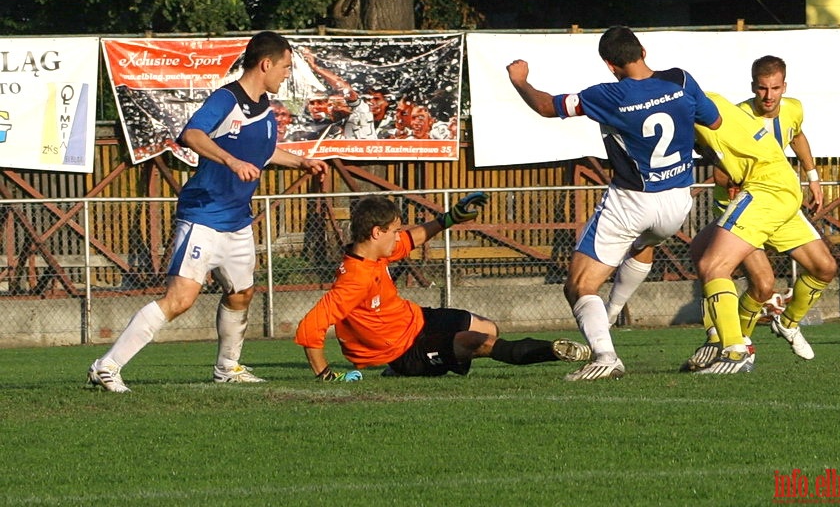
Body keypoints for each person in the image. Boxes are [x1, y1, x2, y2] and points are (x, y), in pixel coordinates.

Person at [87, 31, 329, 392]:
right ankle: (106, 366)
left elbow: (262, 154)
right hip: (204, 215)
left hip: (237, 219)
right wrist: (230, 161)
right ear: (265, 64)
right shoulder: (225, 99)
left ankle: (227, 368)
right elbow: (192, 135)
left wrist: (301, 162)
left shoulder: (264, 108)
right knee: (179, 300)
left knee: (241, 293)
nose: (286, 74)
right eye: (284, 66)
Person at [506, 25, 721, 381]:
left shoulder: (607, 95)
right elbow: (714, 120)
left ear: (609, 64)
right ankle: (611, 313)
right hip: (678, 202)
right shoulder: (681, 79)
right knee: (643, 243)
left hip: (633, 200)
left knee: (578, 285)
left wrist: (521, 81)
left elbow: (546, 107)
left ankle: (605, 354)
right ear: (643, 51)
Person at [294, 194, 591, 379]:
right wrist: (325, 375)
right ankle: (555, 350)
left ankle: (452, 355)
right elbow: (311, 327)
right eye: (394, 231)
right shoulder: (355, 279)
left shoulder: (373, 255)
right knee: (476, 342)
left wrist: (449, 219)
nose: (399, 237)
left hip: (418, 319)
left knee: (489, 329)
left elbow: (414, 239)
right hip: (404, 351)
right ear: (376, 232)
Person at [683, 57, 835, 370]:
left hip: (777, 197)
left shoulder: (793, 108)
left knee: (825, 267)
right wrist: (731, 180)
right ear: (753, 87)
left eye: (775, 88)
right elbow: (720, 166)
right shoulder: (735, 115)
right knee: (763, 285)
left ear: (784, 87)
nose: (769, 96)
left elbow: (797, 136)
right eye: (762, 89)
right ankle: (736, 346)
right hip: (743, 203)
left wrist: (814, 177)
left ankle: (788, 323)